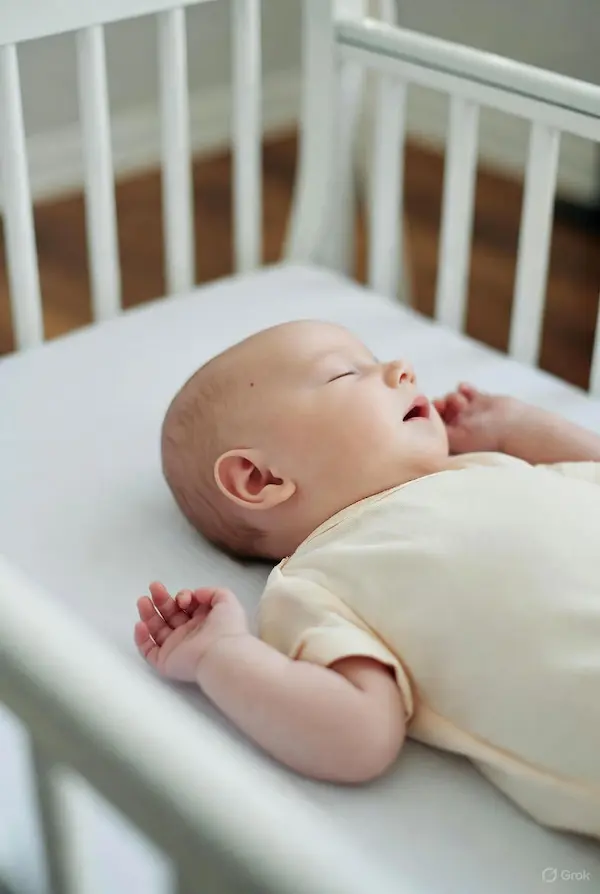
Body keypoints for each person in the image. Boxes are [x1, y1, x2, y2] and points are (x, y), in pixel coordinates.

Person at [134, 320, 600, 838]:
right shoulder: (322, 575)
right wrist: (220, 656)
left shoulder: (489, 467)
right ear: (259, 479)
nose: (401, 370)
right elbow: (358, 737)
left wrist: (520, 428)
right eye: (344, 374)